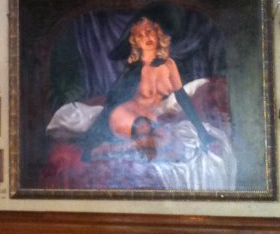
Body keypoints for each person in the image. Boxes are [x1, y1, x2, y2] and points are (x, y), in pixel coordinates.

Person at [84, 12, 211, 157]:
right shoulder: (135, 69)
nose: (146, 38)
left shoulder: (169, 64)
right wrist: (92, 140)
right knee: (148, 136)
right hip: (125, 114)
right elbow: (113, 102)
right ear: (136, 43)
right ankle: (109, 149)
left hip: (149, 118)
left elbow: (182, 98)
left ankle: (114, 148)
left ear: (157, 34)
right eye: (140, 36)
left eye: (149, 32)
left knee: (166, 139)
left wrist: (201, 131)